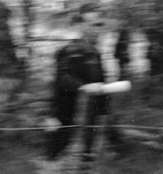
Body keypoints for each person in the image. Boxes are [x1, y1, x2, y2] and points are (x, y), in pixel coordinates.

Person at [44, 4, 112, 164]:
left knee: (87, 151)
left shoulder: (95, 53)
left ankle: (82, 173)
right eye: (93, 24)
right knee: (57, 150)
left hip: (90, 114)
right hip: (66, 111)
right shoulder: (69, 50)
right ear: (81, 26)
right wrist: (82, 87)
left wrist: (104, 110)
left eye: (100, 24)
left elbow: (101, 82)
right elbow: (62, 78)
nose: (97, 29)